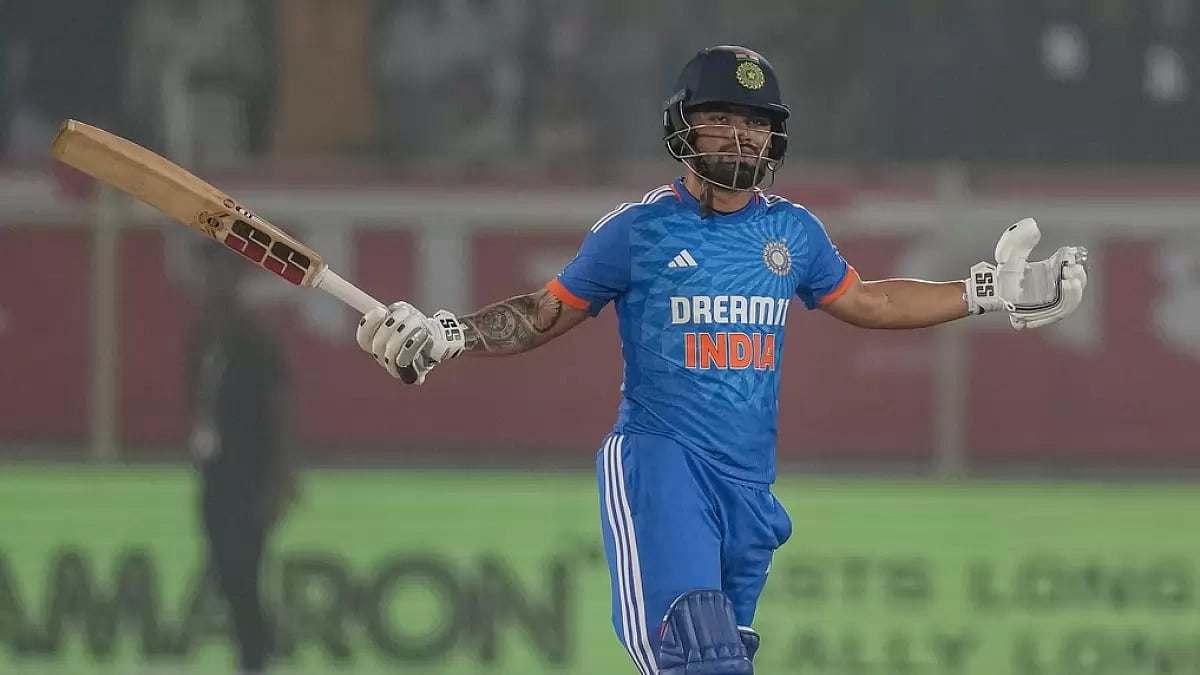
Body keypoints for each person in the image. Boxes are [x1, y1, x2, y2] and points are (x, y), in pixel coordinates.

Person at [354, 45, 1089, 674]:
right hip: (662, 462)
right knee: (697, 654)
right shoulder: (637, 230)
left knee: (722, 658)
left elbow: (868, 301)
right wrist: (452, 333)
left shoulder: (793, 234)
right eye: (722, 118)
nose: (740, 137)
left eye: (756, 124)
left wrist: (983, 290)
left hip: (749, 491)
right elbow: (544, 313)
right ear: (683, 127)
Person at [186, 245, 296, 675]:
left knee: (243, 569)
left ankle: (257, 656)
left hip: (249, 474)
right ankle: (255, 648)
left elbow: (279, 410)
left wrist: (279, 477)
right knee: (224, 570)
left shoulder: (255, 342)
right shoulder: (201, 339)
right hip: (215, 473)